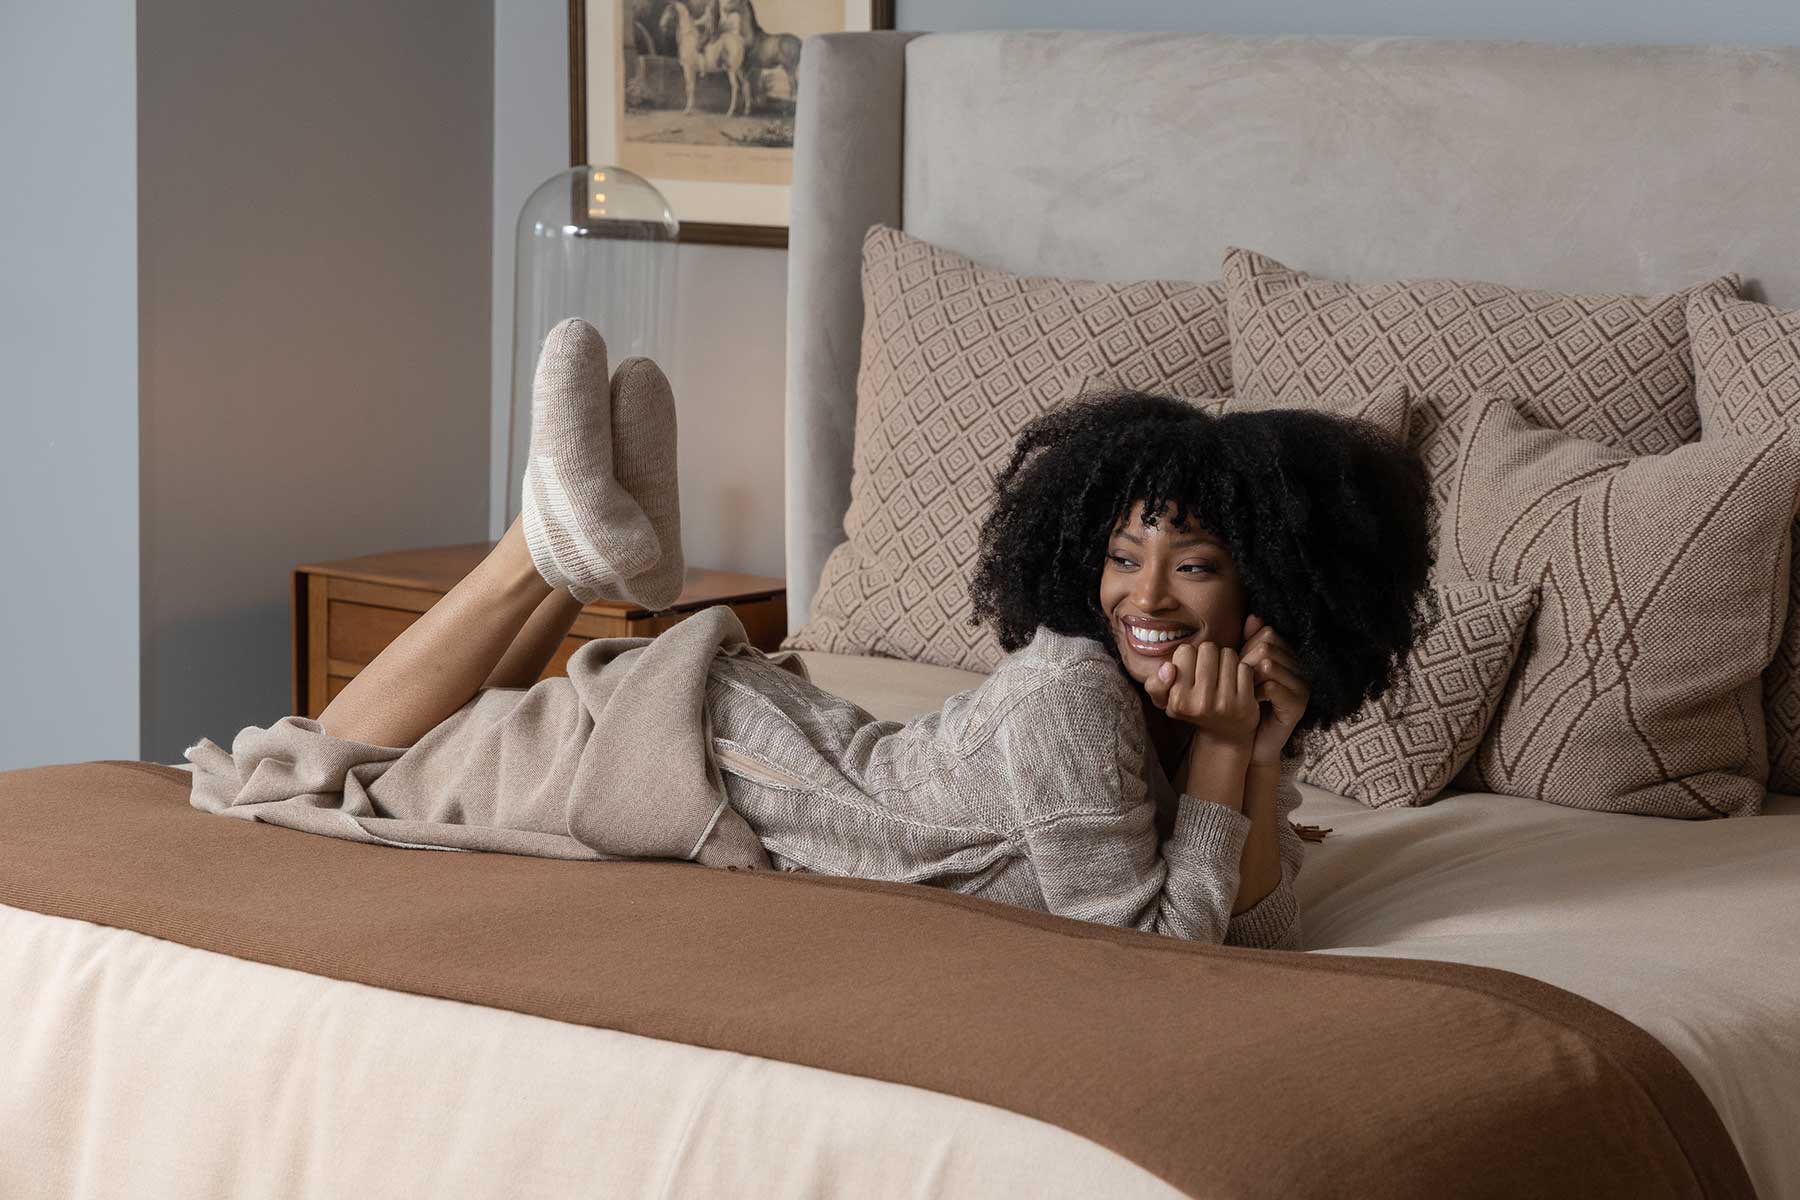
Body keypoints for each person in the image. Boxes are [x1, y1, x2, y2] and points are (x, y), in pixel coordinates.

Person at [187, 319, 1433, 949]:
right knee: (283, 785)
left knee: (400, 756)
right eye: (1121, 555)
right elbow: (1153, 959)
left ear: (1275, 587)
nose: (1144, 597)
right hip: (681, 764)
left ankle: (576, 556)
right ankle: (541, 547)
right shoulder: (1080, 695)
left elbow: (1259, 932)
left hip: (737, 740)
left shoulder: (1181, 712)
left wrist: (1254, 754)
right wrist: (1222, 762)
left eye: (1195, 566)